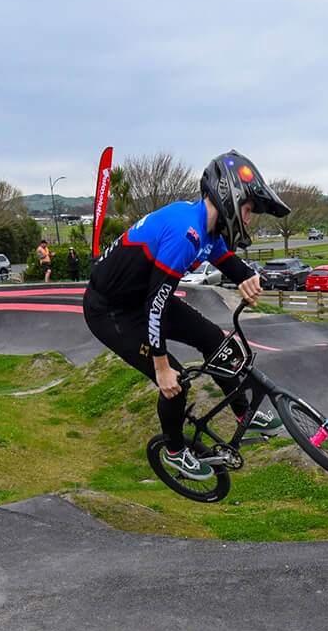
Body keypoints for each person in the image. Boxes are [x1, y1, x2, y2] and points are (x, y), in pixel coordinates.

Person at [82, 151, 290, 480]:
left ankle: (244, 414)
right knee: (174, 382)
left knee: (213, 340)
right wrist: (161, 366)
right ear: (230, 199)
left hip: (141, 297)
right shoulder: (184, 234)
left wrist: (246, 276)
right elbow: (156, 306)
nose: (248, 220)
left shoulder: (204, 228)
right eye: (248, 210)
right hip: (111, 311)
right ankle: (176, 451)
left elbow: (222, 257)